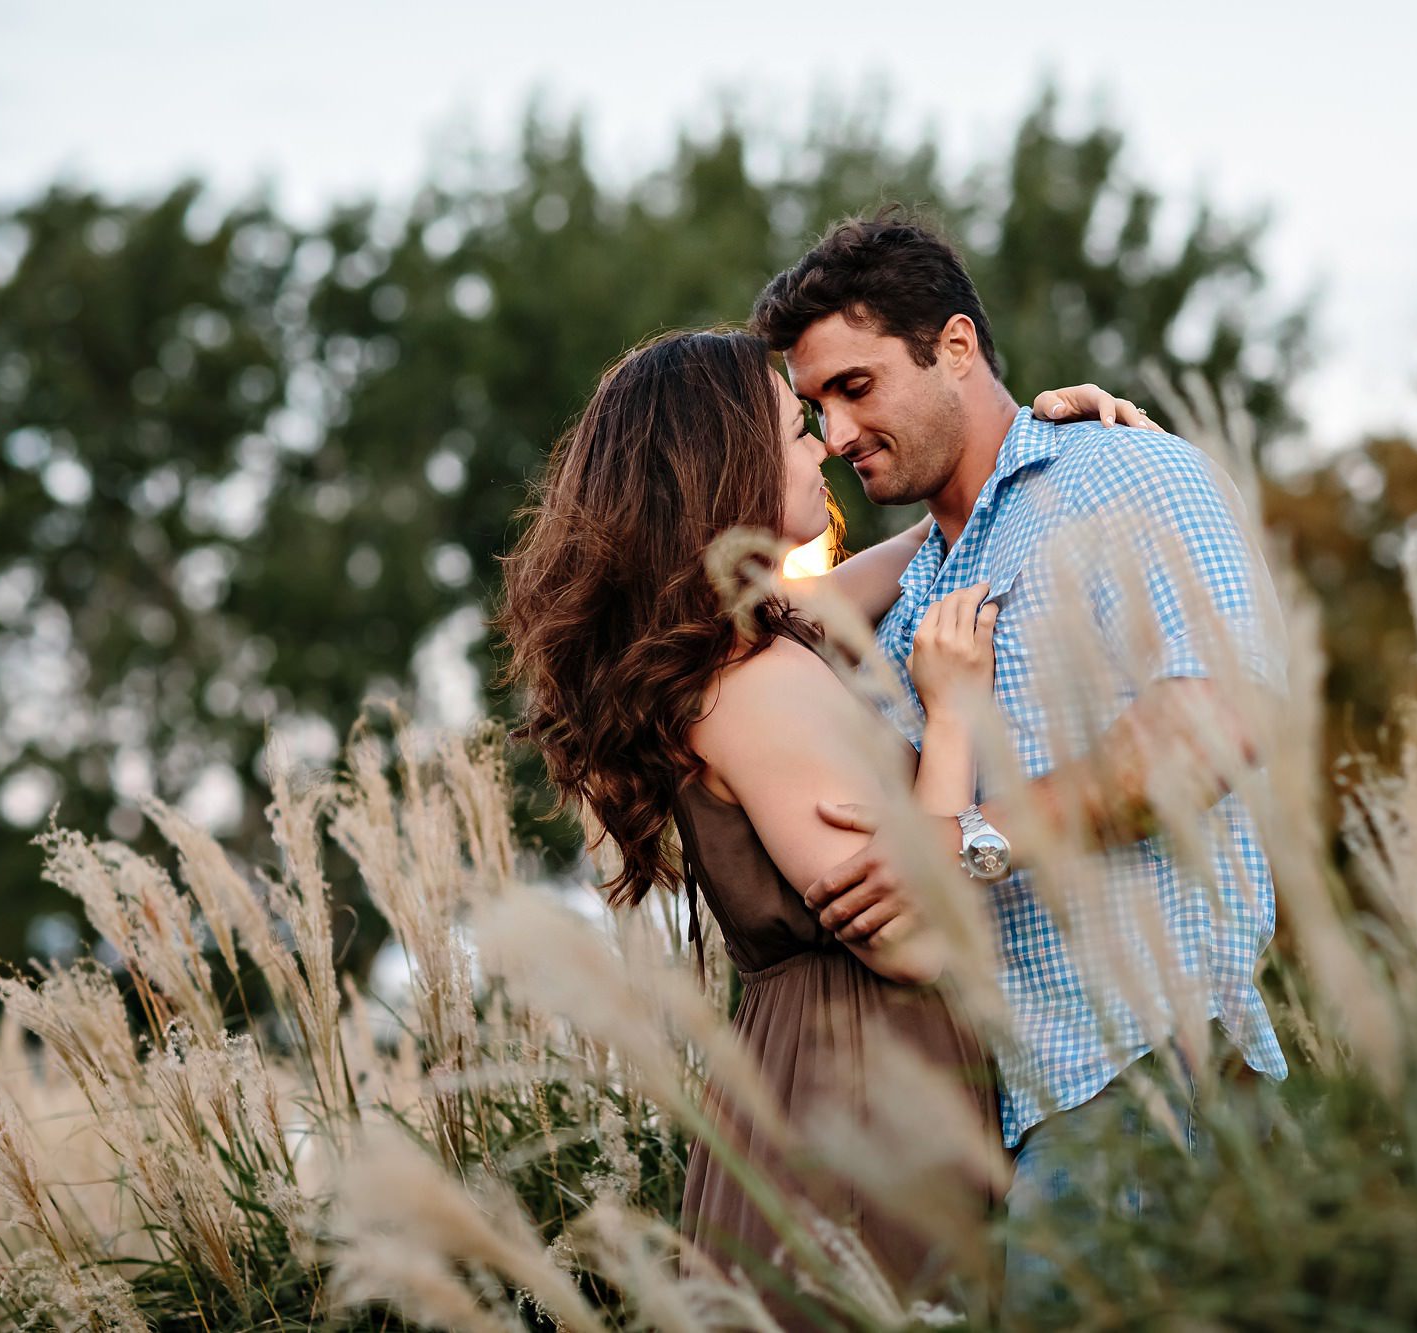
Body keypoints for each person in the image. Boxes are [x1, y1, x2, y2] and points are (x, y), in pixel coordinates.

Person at [493, 327, 1154, 1325]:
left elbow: (912, 553)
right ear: (727, 466)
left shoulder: (744, 643)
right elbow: (909, 933)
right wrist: (954, 717)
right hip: (860, 1119)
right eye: (794, 428)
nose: (825, 446)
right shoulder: (753, 687)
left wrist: (1017, 451)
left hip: (839, 1088)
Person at [750, 212, 1291, 1314]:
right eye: (814, 409)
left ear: (954, 346)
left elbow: (1214, 722)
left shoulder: (1121, 473)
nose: (838, 431)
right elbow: (725, 624)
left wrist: (963, 844)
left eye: (854, 387)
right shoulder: (916, 587)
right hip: (1007, 1122)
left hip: (1140, 1073)